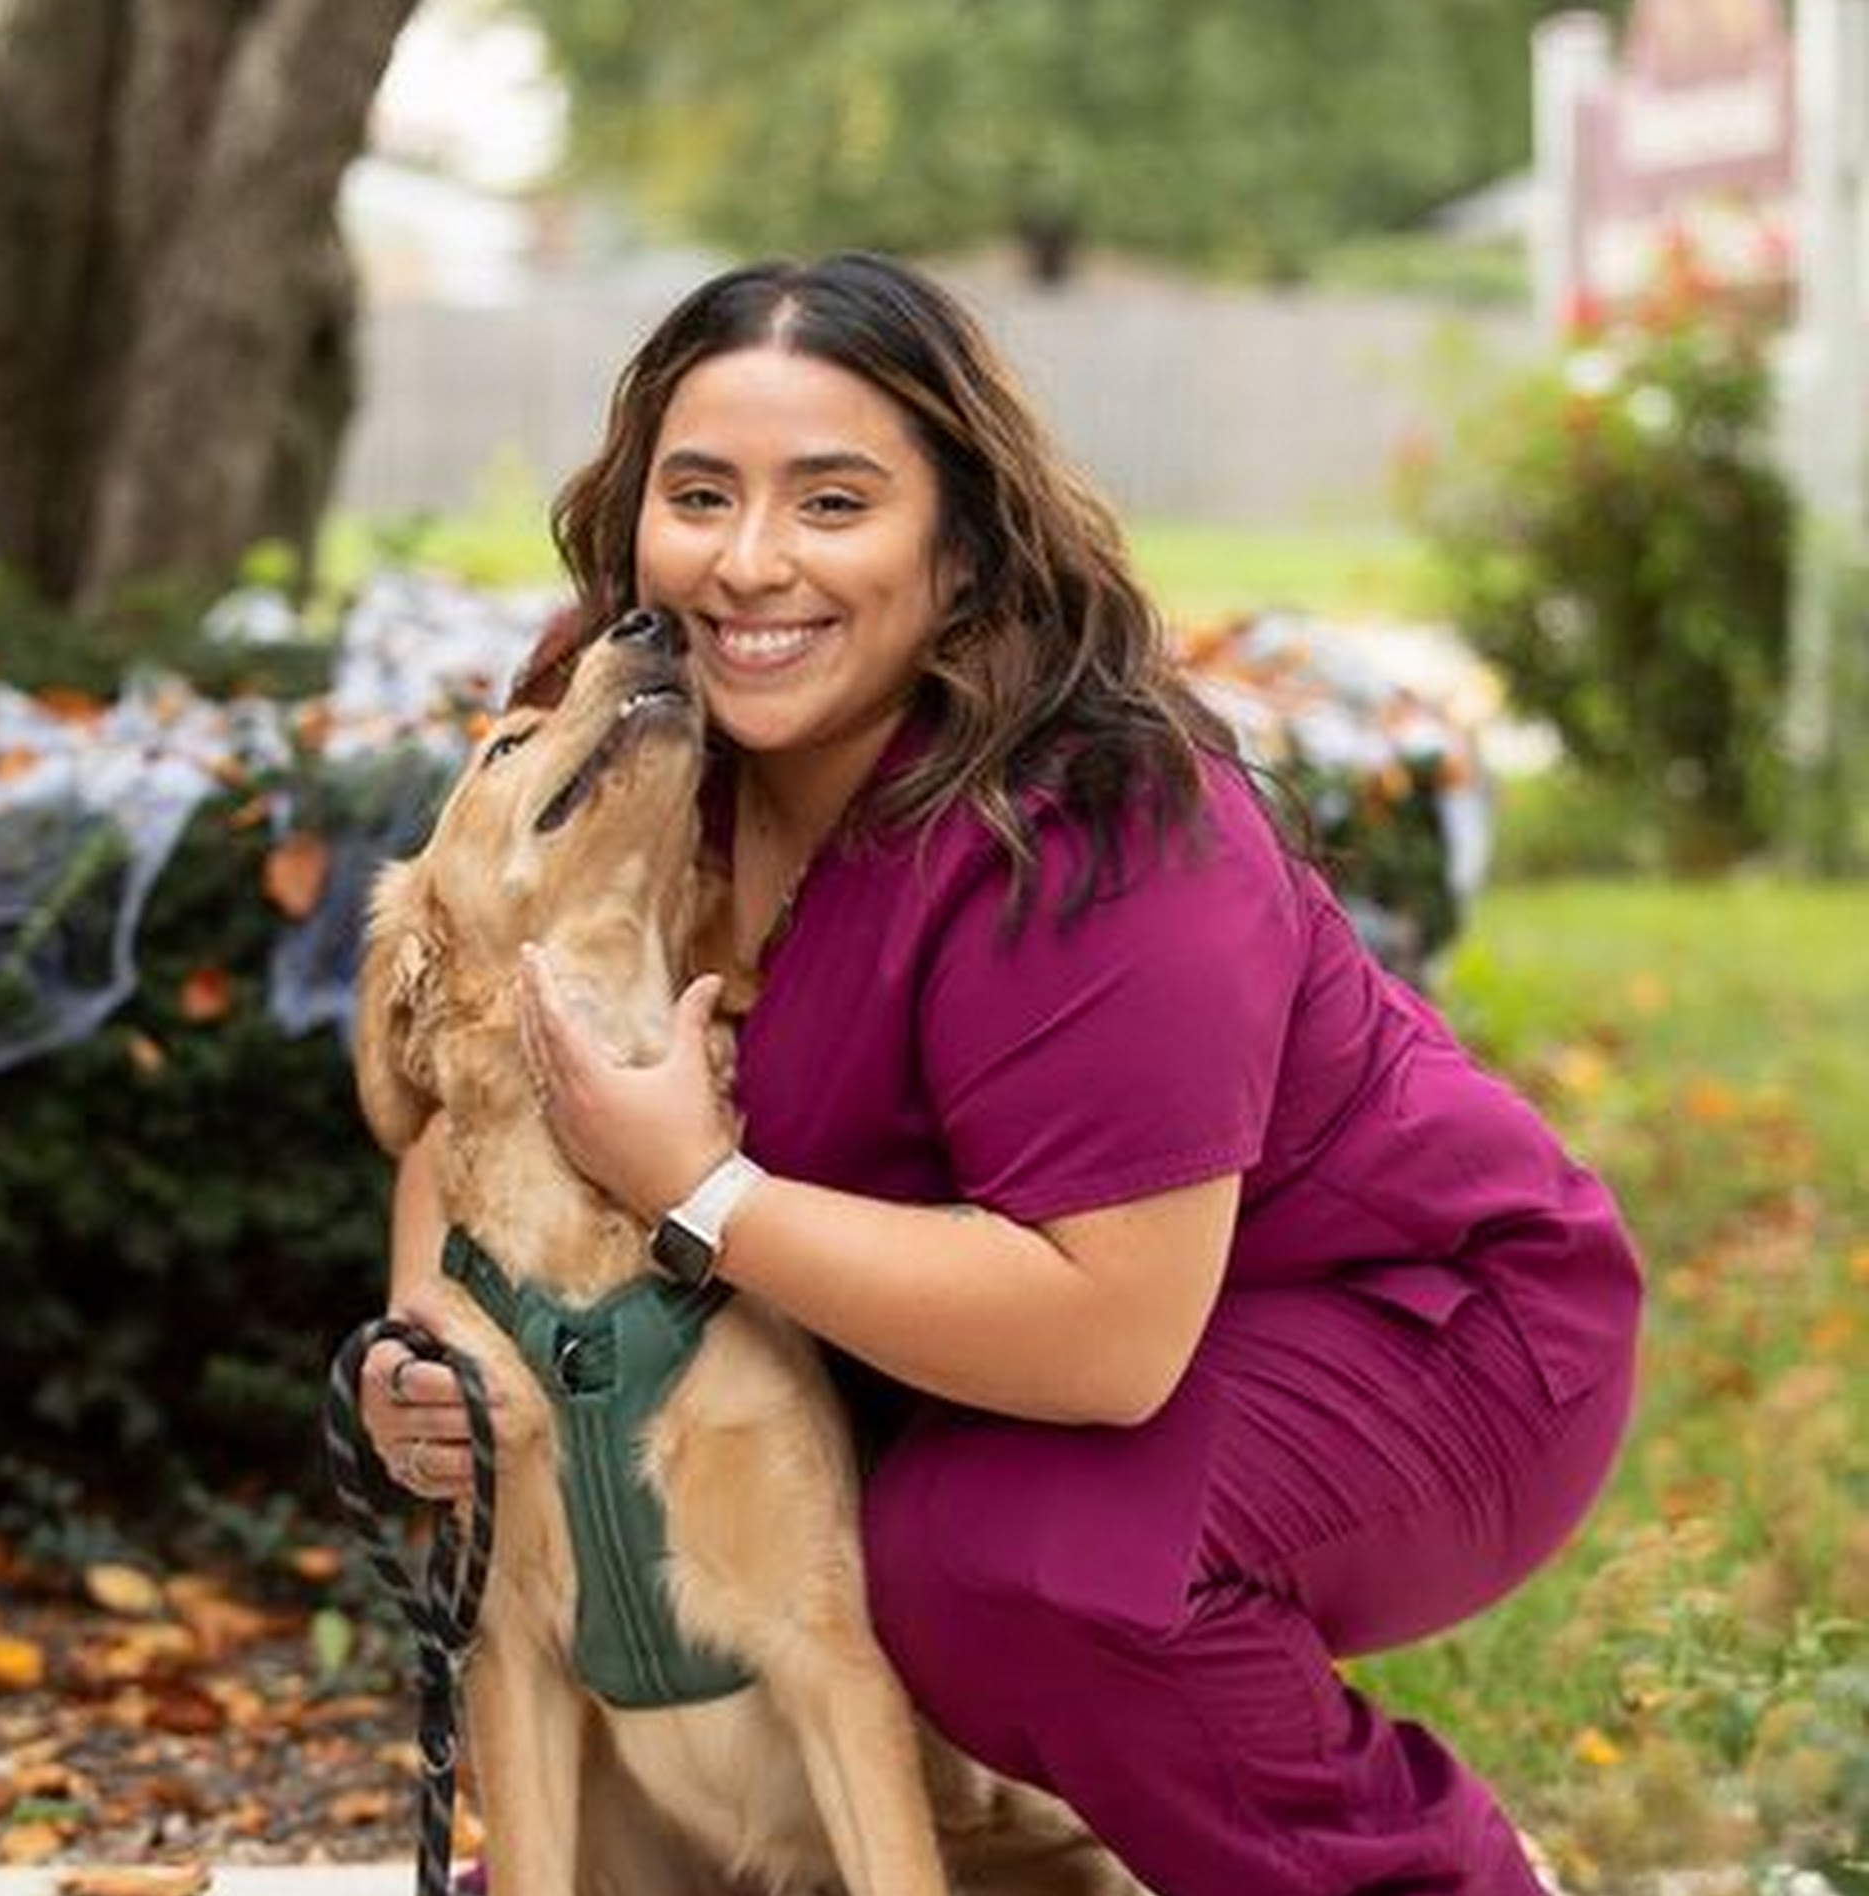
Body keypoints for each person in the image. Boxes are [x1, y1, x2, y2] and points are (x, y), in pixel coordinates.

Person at [360, 251, 1643, 1895]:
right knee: (870, 1528)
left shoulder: (1097, 820)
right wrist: (435, 1348)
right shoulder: (634, 720)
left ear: (961, 549)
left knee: (1006, 1570)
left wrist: (697, 1186)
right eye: (700, 496)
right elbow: (492, 1022)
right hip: (986, 1334)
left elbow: (1108, 1335)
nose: (751, 563)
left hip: (1418, 1324)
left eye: (833, 503)